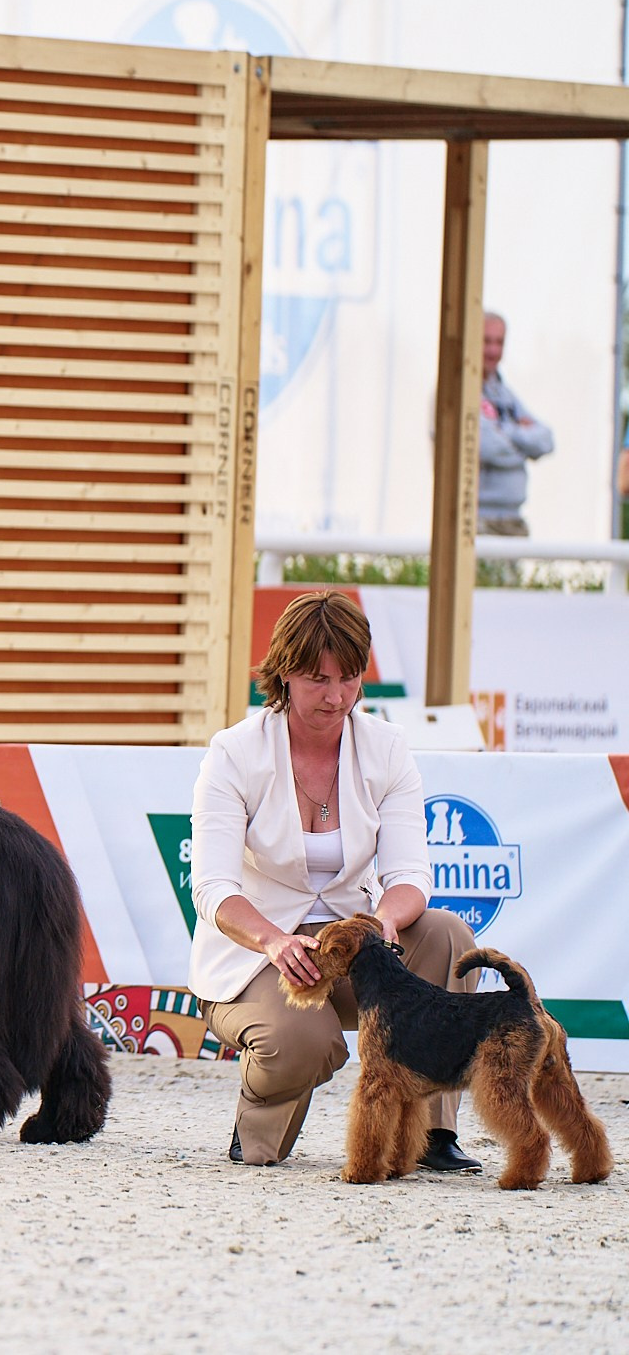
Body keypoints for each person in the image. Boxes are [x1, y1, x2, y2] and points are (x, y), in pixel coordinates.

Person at [190, 590, 482, 1170]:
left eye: (349, 679)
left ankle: (431, 1135)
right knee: (307, 1041)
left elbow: (408, 875)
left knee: (448, 935)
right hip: (255, 956)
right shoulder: (233, 752)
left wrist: (386, 921)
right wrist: (275, 942)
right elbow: (213, 889)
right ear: (283, 673)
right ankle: (257, 1123)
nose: (336, 696)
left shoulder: (388, 747)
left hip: (356, 944)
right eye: (318, 679)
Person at [478, 312, 555, 537]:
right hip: (478, 521)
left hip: (512, 520)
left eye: (499, 342)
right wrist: (522, 438)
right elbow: (487, 447)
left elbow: (546, 441)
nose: (493, 351)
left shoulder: (504, 393)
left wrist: (504, 431)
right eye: (486, 341)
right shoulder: (459, 390)